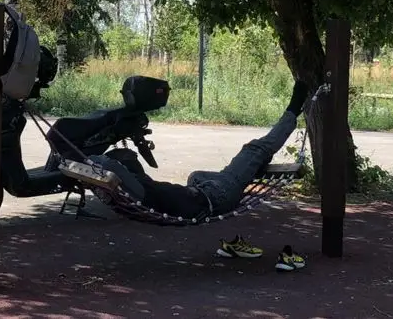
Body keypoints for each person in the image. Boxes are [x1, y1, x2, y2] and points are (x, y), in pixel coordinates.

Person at [87, 79, 310, 271]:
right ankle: (292, 110)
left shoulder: (145, 194)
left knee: (219, 166)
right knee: (254, 150)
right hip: (217, 193)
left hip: (207, 192)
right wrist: (97, 160)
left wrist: (92, 159)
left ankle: (261, 156)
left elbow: (119, 169)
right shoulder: (146, 193)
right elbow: (114, 167)